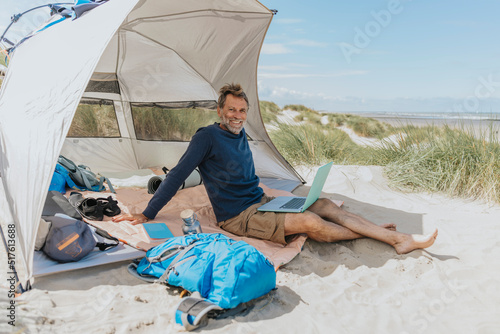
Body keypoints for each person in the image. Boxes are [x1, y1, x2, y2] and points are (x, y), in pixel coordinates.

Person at [113, 83, 437, 254]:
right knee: (311, 220)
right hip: (238, 216)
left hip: (263, 202)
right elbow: (178, 175)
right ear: (219, 110)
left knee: (322, 203)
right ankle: (392, 239)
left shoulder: (241, 135)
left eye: (242, 110)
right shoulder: (206, 137)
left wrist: (272, 200)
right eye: (231, 110)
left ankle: (381, 233)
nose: (237, 115)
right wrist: (148, 213)